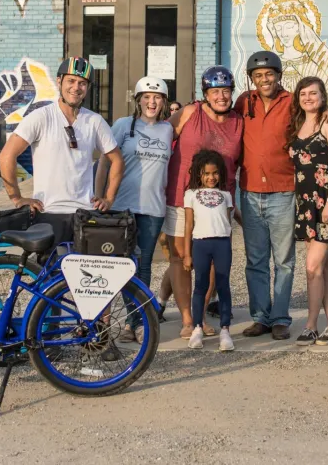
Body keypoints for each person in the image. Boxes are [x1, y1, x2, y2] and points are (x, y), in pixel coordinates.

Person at [236, 51, 328, 340]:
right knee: (255, 261)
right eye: (258, 75)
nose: (264, 79)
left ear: (278, 75)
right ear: (251, 79)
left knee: (284, 260)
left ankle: (280, 318)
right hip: (250, 192)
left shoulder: (291, 102)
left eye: (269, 74)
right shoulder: (244, 101)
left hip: (283, 192)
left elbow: (314, 114)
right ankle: (260, 318)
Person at [0, 57, 124, 247]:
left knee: (83, 267)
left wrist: (109, 198)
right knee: (48, 266)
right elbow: (6, 156)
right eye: (71, 81)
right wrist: (17, 198)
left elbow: (117, 160)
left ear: (88, 88)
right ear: (59, 81)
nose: (76, 87)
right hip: (48, 213)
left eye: (82, 83)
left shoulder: (95, 121)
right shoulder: (41, 117)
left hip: (85, 214)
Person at [164, 66, 243, 340]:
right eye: (215, 91)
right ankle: (187, 319)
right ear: (205, 94)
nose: (221, 96)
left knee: (211, 262)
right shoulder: (189, 113)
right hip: (181, 196)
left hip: (218, 203)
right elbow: (158, 135)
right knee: (180, 258)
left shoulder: (238, 121)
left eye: (226, 91)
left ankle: (200, 316)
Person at [95, 76, 172, 340]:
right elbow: (105, 162)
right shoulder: (123, 125)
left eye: (157, 97)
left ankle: (135, 323)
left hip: (153, 208)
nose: (152, 102)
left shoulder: (168, 129)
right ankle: (129, 320)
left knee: (144, 265)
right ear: (138, 100)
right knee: (124, 264)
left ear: (164, 101)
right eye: (147, 97)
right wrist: (100, 195)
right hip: (122, 206)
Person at [286, 77, 328, 346]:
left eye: (313, 93)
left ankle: (311, 325)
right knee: (323, 267)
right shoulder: (297, 124)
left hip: (325, 203)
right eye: (303, 94)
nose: (308, 98)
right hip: (305, 204)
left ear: (323, 96)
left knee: (312, 267)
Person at [182, 149, 236, 352]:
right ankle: (197, 328)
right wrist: (187, 253)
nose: (211, 177)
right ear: (199, 173)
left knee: (223, 286)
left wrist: (229, 248)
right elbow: (188, 225)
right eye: (206, 173)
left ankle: (225, 330)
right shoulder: (191, 195)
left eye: (215, 173)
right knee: (200, 286)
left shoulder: (226, 195)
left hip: (222, 244)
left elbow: (228, 224)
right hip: (200, 244)